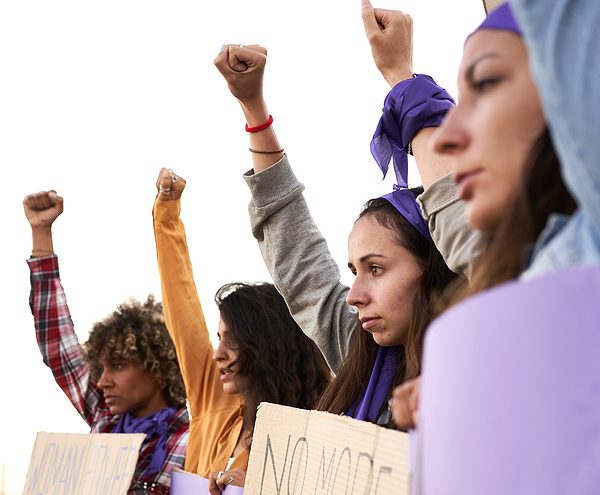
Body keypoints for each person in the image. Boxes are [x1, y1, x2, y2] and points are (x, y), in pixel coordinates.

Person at [213, 1, 457, 428]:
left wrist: (400, 74)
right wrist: (254, 109)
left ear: (436, 265)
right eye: (354, 270)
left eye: (376, 268)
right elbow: (302, 266)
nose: (353, 294)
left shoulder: (490, 357)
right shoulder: (361, 353)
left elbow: (456, 207)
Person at [152, 168, 331, 494]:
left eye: (232, 342)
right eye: (219, 339)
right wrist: (166, 217)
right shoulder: (212, 403)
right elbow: (183, 314)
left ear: (267, 346)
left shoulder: (311, 436)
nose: (218, 354)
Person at [24, 190, 189, 495]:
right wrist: (41, 233)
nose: (102, 382)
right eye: (100, 368)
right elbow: (58, 344)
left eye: (117, 366)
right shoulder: (105, 418)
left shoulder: (195, 438)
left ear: (158, 367)